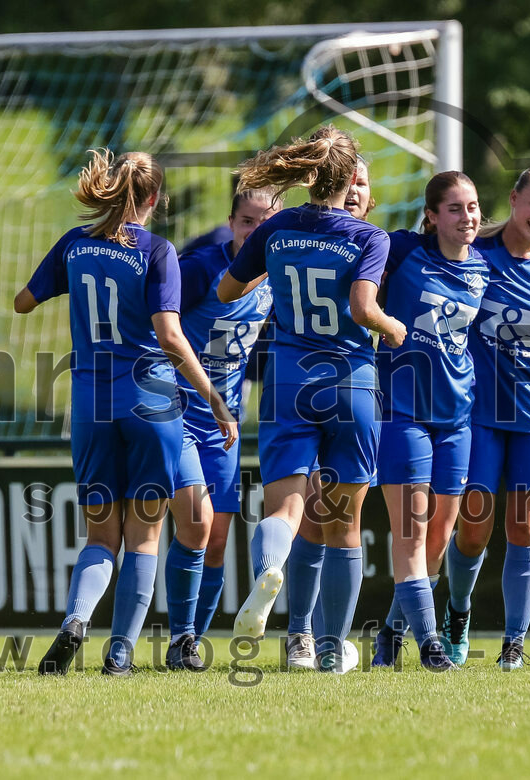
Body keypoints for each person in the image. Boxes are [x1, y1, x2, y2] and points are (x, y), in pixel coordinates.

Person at [16, 149, 237, 676]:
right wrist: (212, 397)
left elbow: (23, 302)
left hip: (92, 404)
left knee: (100, 537)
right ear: (155, 198)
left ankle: (74, 622)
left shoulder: (76, 244)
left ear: (112, 190)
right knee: (144, 538)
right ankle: (119, 655)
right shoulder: (158, 252)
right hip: (151, 402)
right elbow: (169, 334)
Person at [216, 127, 406, 673]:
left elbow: (228, 290)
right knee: (344, 523)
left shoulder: (275, 228)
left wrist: (272, 272)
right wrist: (393, 330)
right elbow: (366, 308)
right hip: (350, 381)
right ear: (349, 180)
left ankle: (286, 613)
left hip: (287, 380)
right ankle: (328, 651)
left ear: (306, 175)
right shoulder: (369, 238)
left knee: (286, 509)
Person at [435, 166, 530, 671]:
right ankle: (458, 613)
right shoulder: (477, 257)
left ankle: (514, 644)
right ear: (514, 199)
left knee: (525, 528)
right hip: (478, 412)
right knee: (474, 527)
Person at [370, 171, 488, 672]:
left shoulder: (484, 266)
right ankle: (431, 645)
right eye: (457, 208)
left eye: (474, 207)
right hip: (403, 414)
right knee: (412, 536)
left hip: (457, 418)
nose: (468, 217)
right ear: (432, 215)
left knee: (439, 539)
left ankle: (391, 635)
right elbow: (356, 253)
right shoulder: (401, 251)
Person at [162, 187, 281, 671]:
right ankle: (181, 638)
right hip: (175, 412)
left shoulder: (279, 277)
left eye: (265, 223)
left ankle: (193, 642)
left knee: (217, 538)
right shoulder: (198, 268)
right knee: (197, 523)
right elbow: (160, 328)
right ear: (231, 222)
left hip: (226, 421)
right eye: (247, 221)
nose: (255, 232)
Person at [284, 156, 376, 670]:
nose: (357, 190)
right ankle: (314, 640)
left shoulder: (383, 244)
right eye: (351, 181)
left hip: (325, 390)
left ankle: (315, 640)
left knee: (322, 516)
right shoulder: (360, 242)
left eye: (364, 183)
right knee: (324, 517)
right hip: (342, 389)